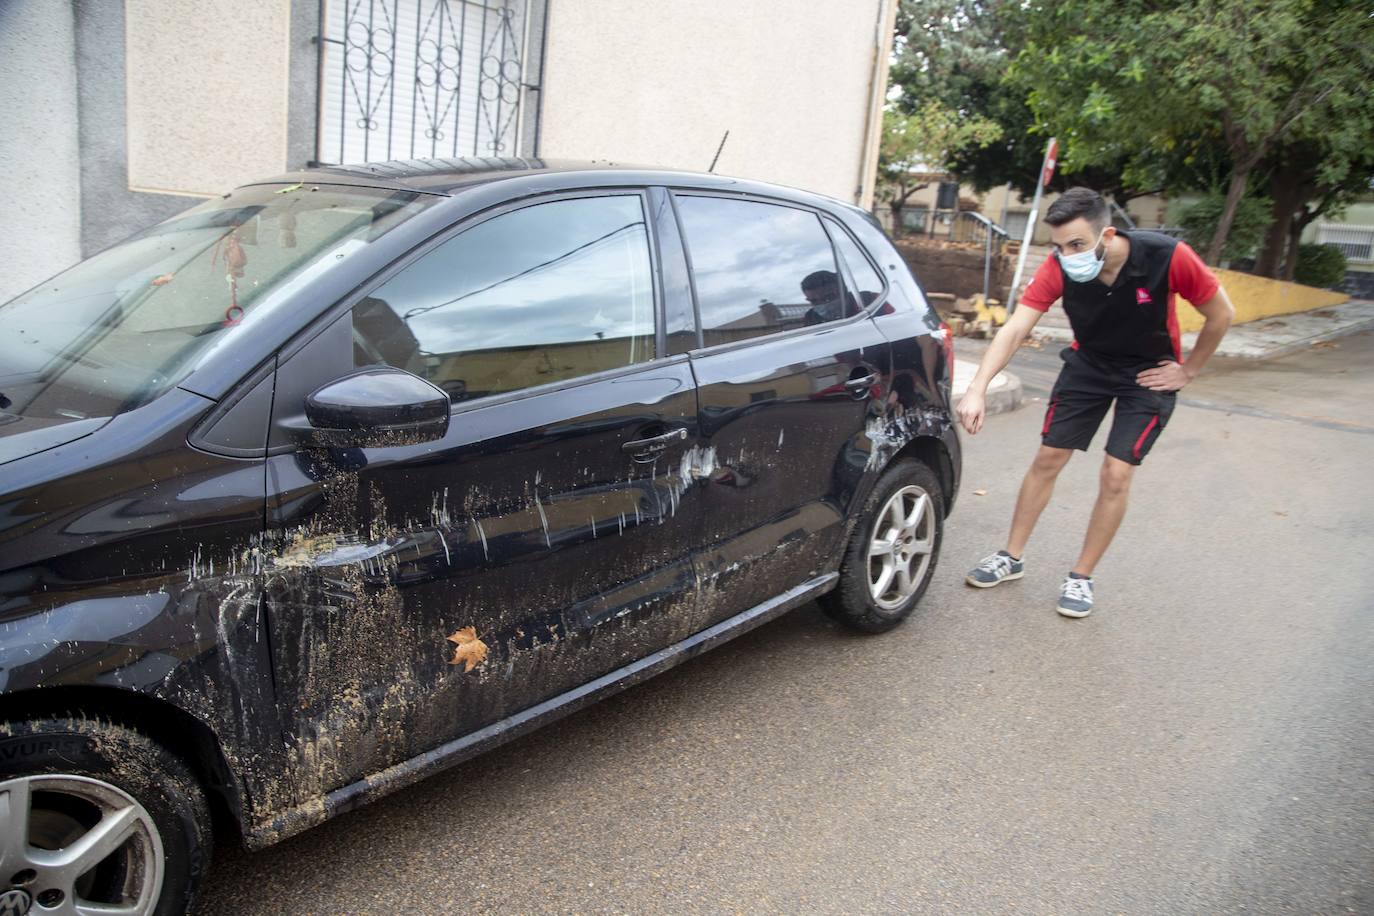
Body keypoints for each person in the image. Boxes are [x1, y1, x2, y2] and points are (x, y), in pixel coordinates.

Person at [957, 188, 1235, 618]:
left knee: (1116, 473)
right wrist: (977, 387)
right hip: (1089, 366)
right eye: (1059, 247)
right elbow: (1014, 329)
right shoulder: (1060, 267)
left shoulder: (1167, 256)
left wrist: (1189, 370)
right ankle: (1010, 557)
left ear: (1106, 234)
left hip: (1148, 372)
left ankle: (1081, 576)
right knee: (1049, 456)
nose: (1068, 256)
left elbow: (1222, 314)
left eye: (1077, 245)